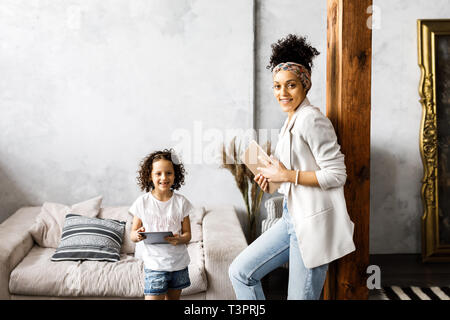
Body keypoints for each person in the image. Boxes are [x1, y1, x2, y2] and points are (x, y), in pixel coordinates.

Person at [229, 34, 356, 300]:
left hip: (311, 225)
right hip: (290, 218)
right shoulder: (290, 121)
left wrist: (286, 174)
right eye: (277, 86)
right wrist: (274, 180)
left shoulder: (312, 120)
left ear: (305, 85)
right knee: (240, 272)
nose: (282, 93)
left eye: (290, 85)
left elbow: (336, 174)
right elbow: (294, 175)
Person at [129, 149, 193, 300]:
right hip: (154, 265)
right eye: (158, 173)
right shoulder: (142, 202)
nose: (164, 177)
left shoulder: (181, 202)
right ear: (150, 176)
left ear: (175, 175)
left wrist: (180, 239)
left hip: (178, 265)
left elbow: (188, 234)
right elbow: (132, 234)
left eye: (169, 173)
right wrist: (137, 235)